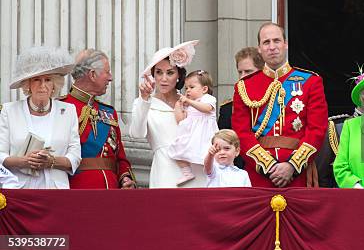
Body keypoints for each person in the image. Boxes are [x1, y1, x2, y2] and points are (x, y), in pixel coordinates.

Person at [232, 22, 328, 188]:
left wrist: (292, 166)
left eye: (276, 41)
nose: (272, 47)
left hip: (297, 174)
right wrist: (268, 166)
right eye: (266, 42)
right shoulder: (244, 86)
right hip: (258, 174)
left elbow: (317, 130)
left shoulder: (311, 82)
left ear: (285, 44)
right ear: (260, 48)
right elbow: (241, 132)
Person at [130, 40, 209, 188]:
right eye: (159, 72)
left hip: (198, 172)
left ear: (179, 75)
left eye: (170, 72)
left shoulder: (193, 101)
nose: (164, 78)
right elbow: (137, 134)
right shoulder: (144, 103)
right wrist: (144, 100)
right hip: (165, 172)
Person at [0, 46, 81, 189]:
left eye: (48, 80)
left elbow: (74, 157)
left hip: (55, 191)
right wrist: (23, 161)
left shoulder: (68, 111)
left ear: (55, 84)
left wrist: (51, 162)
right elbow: (1, 155)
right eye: (37, 79)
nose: (42, 86)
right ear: (28, 85)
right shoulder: (9, 111)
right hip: (19, 190)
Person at [62, 49, 136, 189]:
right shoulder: (61, 108)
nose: (110, 78)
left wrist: (125, 178)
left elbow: (120, 157)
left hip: (111, 190)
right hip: (78, 190)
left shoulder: (108, 111)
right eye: (107, 72)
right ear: (92, 74)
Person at [168, 70, 218, 186]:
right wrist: (179, 108)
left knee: (208, 155)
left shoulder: (208, 99)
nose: (188, 91)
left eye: (191, 87)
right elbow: (181, 121)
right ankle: (187, 172)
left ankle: (211, 175)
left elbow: (207, 109)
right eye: (186, 88)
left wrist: (189, 102)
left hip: (205, 135)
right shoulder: (189, 104)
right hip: (191, 135)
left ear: (204, 89)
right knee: (177, 149)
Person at [217, 47, 264, 130]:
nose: (242, 76)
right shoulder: (227, 109)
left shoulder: (276, 102)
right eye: (240, 72)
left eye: (248, 71)